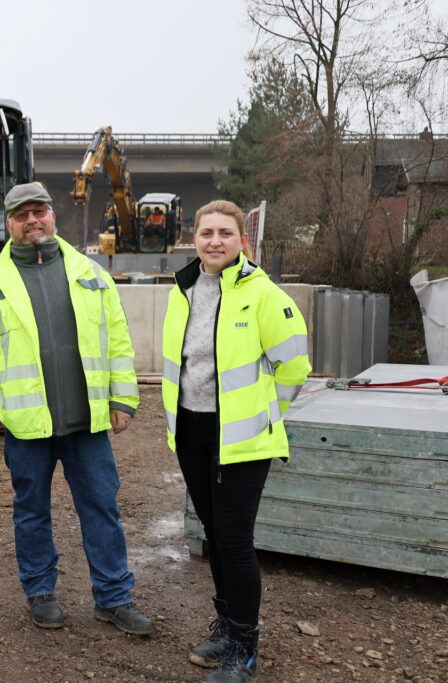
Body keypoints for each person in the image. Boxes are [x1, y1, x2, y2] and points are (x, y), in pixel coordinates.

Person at [0, 182, 154, 636]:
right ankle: (40, 593)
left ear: (53, 216)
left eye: (39, 212)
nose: (33, 221)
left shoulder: (90, 274)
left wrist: (123, 398)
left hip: (86, 421)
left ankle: (114, 597)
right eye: (22, 215)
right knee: (32, 511)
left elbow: (118, 341)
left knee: (102, 507)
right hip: (28, 427)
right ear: (9, 225)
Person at [161, 200, 310, 682]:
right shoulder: (183, 290)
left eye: (225, 233)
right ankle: (227, 626)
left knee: (235, 540)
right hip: (191, 430)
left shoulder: (261, 293)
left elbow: (294, 364)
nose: (215, 241)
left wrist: (265, 417)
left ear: (241, 241)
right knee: (213, 532)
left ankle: (244, 648)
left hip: (241, 439)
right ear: (195, 238)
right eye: (207, 233)